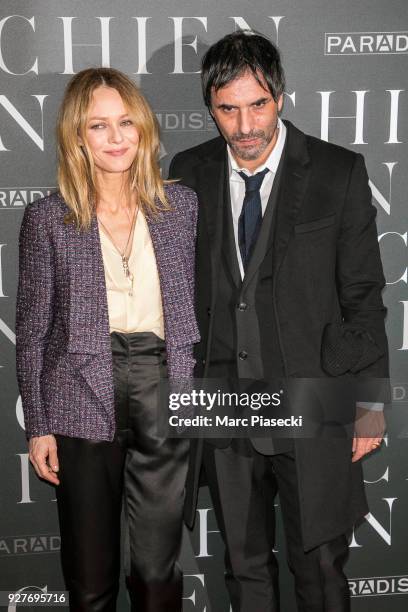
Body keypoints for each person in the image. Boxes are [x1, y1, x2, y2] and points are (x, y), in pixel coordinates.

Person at [169, 31, 388, 612]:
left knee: (320, 566)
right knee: (243, 568)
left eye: (257, 104)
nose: (244, 126)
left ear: (281, 96)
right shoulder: (186, 171)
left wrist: (368, 403)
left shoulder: (337, 172)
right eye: (227, 109)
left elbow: (363, 293)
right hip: (223, 397)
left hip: (314, 394)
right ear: (210, 107)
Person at [16, 67, 199, 612]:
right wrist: (40, 424)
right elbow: (31, 331)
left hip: (163, 390)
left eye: (126, 122)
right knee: (90, 576)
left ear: (143, 128)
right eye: (99, 126)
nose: (117, 138)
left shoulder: (180, 208)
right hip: (78, 395)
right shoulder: (48, 218)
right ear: (77, 136)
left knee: (155, 570)